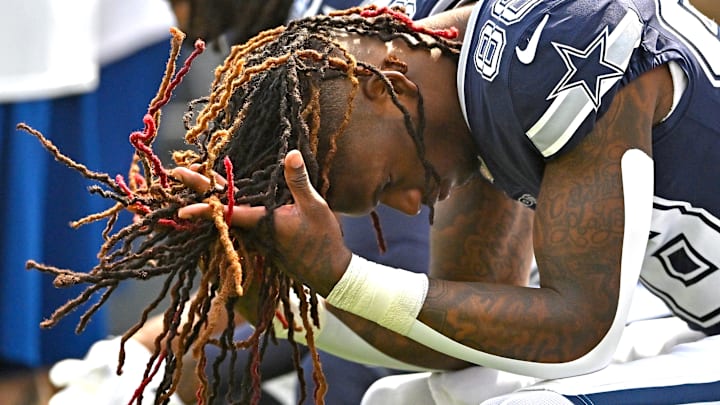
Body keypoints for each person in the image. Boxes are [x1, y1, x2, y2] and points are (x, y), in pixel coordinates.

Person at [168, 1, 720, 404]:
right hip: (696, 320)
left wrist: (342, 275)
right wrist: (275, 302)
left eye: (386, 182)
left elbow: (581, 332)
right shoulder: (458, 73)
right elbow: (465, 345)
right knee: (405, 401)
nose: (410, 206)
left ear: (389, 87)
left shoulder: (558, 53)